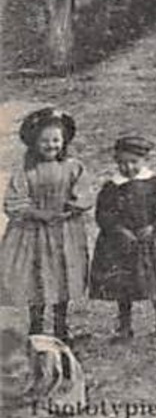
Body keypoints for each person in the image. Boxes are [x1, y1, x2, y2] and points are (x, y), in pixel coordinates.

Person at [0, 108, 91, 340]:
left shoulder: (73, 167)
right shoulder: (26, 172)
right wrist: (38, 213)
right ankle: (36, 325)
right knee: (37, 277)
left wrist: (70, 209)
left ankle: (62, 326)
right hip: (34, 233)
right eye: (44, 141)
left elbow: (84, 195)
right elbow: (14, 202)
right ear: (33, 143)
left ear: (64, 141)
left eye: (55, 140)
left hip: (64, 232)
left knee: (62, 276)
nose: (51, 145)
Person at [88, 134, 156, 339]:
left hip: (150, 242)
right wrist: (119, 230)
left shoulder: (155, 183)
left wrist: (153, 227)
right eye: (122, 163)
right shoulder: (112, 186)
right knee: (123, 286)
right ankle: (125, 326)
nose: (127, 167)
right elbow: (103, 214)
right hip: (121, 245)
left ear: (144, 160)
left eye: (133, 162)